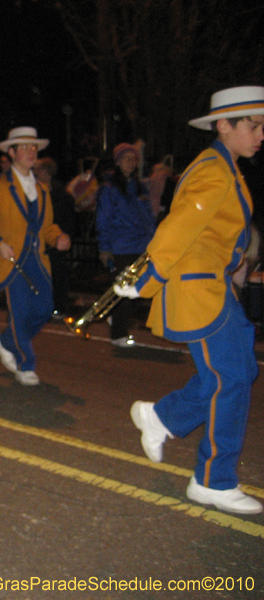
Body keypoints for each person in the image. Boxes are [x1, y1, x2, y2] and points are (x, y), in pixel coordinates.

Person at [117, 86, 264, 515]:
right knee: (231, 379)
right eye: (254, 126)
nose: (261, 135)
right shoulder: (214, 171)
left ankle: (162, 418)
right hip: (198, 291)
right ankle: (212, 481)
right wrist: (145, 277)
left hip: (216, 288)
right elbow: (179, 226)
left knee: (239, 372)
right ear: (225, 125)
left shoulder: (228, 168)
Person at [0, 127, 71, 385]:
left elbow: (47, 226)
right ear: (11, 152)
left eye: (33, 147)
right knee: (21, 313)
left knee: (45, 309)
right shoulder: (0, 187)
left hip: (37, 260)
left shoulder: (42, 189)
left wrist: (57, 236)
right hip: (11, 261)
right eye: (24, 147)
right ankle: (25, 363)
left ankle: (5, 340)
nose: (30, 152)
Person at [95, 143, 156, 345]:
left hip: (141, 245)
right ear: (118, 161)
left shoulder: (140, 187)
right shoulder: (109, 188)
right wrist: (105, 248)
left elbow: (148, 216)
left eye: (134, 159)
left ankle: (116, 321)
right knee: (124, 291)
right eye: (127, 158)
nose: (131, 162)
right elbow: (103, 219)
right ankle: (118, 334)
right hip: (121, 245)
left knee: (140, 289)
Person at [34, 157, 75, 317]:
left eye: (38, 170)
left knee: (57, 274)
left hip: (55, 240)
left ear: (46, 172)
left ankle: (58, 305)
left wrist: (61, 236)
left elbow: (67, 219)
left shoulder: (61, 195)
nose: (35, 173)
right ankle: (43, 305)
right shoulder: (34, 192)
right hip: (40, 241)